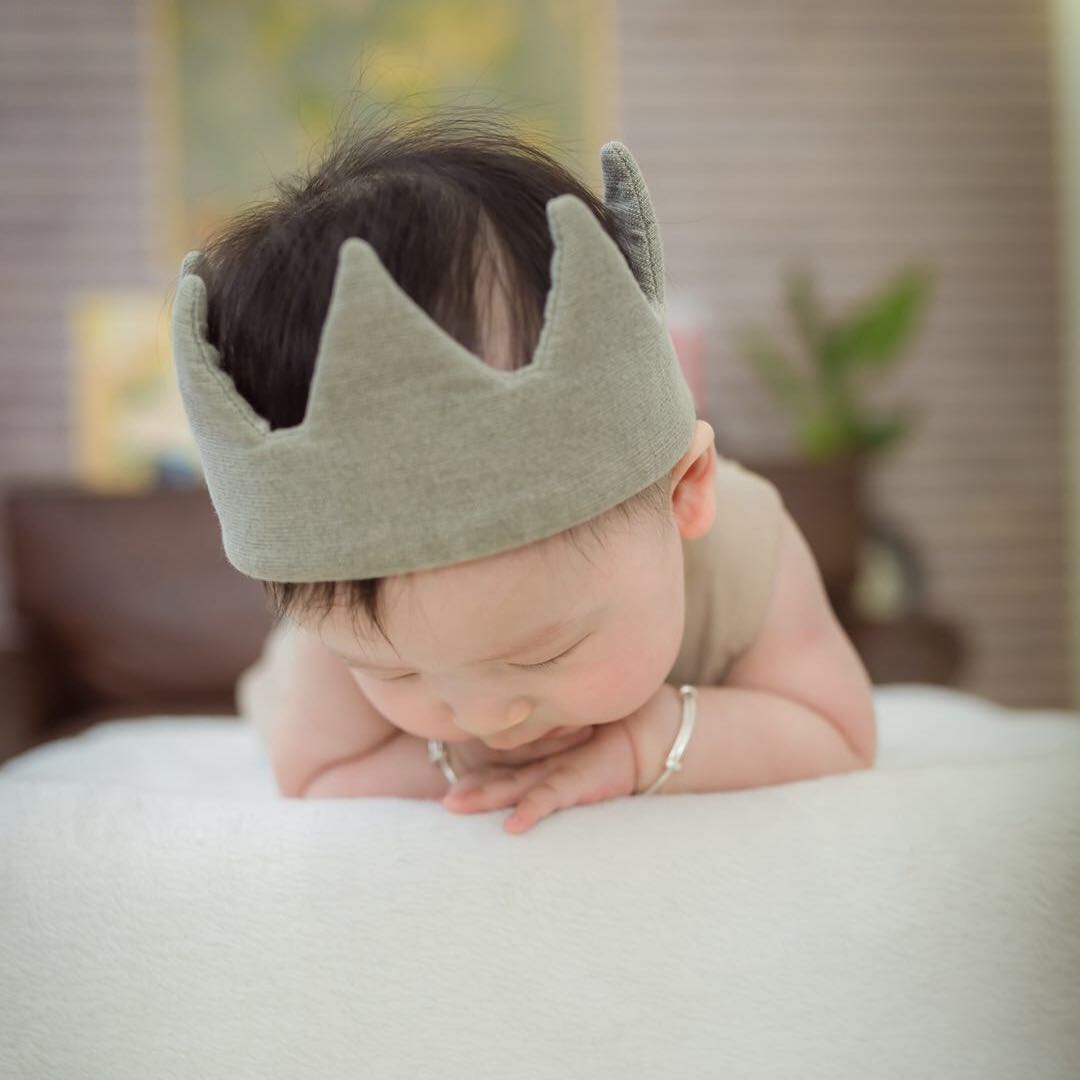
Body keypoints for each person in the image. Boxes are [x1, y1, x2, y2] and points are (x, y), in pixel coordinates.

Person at [179, 108, 877, 835]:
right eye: (399, 673)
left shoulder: (748, 545)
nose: (487, 718)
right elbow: (318, 773)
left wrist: (641, 744)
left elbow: (838, 729)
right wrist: (456, 763)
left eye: (546, 652)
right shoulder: (346, 609)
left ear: (686, 489)